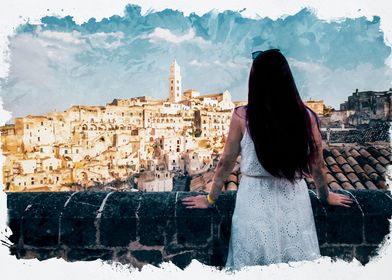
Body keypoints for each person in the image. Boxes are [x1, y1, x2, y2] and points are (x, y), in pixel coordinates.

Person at [181, 48, 353, 270]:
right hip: (294, 200)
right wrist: (325, 196)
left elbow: (225, 162)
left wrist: (211, 199)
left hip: (253, 200)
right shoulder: (306, 116)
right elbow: (317, 164)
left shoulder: (242, 116)